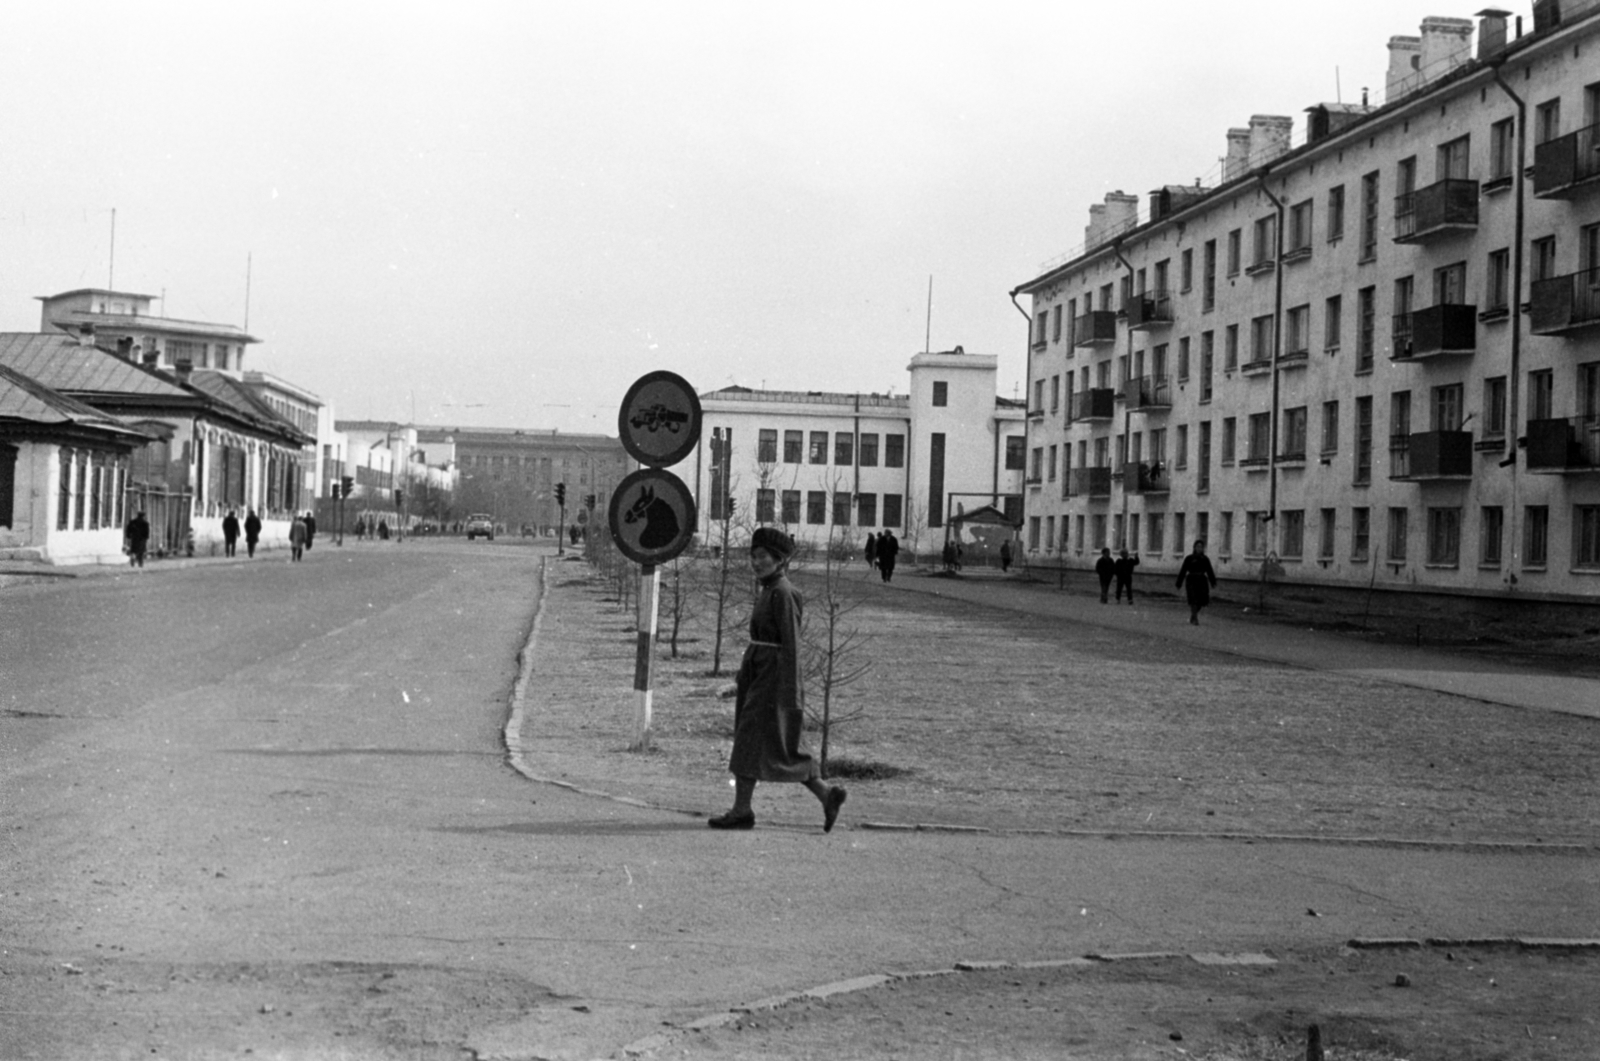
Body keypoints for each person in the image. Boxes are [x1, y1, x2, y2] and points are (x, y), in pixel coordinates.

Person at [709, 527, 847, 833]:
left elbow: (792, 646)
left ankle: (742, 810)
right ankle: (827, 795)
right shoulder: (769, 590)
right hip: (759, 675)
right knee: (778, 746)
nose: (756, 563)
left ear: (779, 560)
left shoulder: (784, 593)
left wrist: (789, 691)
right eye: (753, 557)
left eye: (763, 557)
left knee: (753, 741)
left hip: (773, 680)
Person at [1176, 539, 1219, 625]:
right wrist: (1179, 582)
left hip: (1202, 581)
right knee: (1193, 599)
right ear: (1194, 548)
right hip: (1191, 580)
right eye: (1197, 546)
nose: (1199, 548)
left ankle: (1193, 616)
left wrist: (1213, 581)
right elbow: (1183, 570)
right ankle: (1195, 619)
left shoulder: (1205, 559)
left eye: (1201, 547)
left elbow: (1209, 570)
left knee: (1202, 600)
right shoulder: (1189, 558)